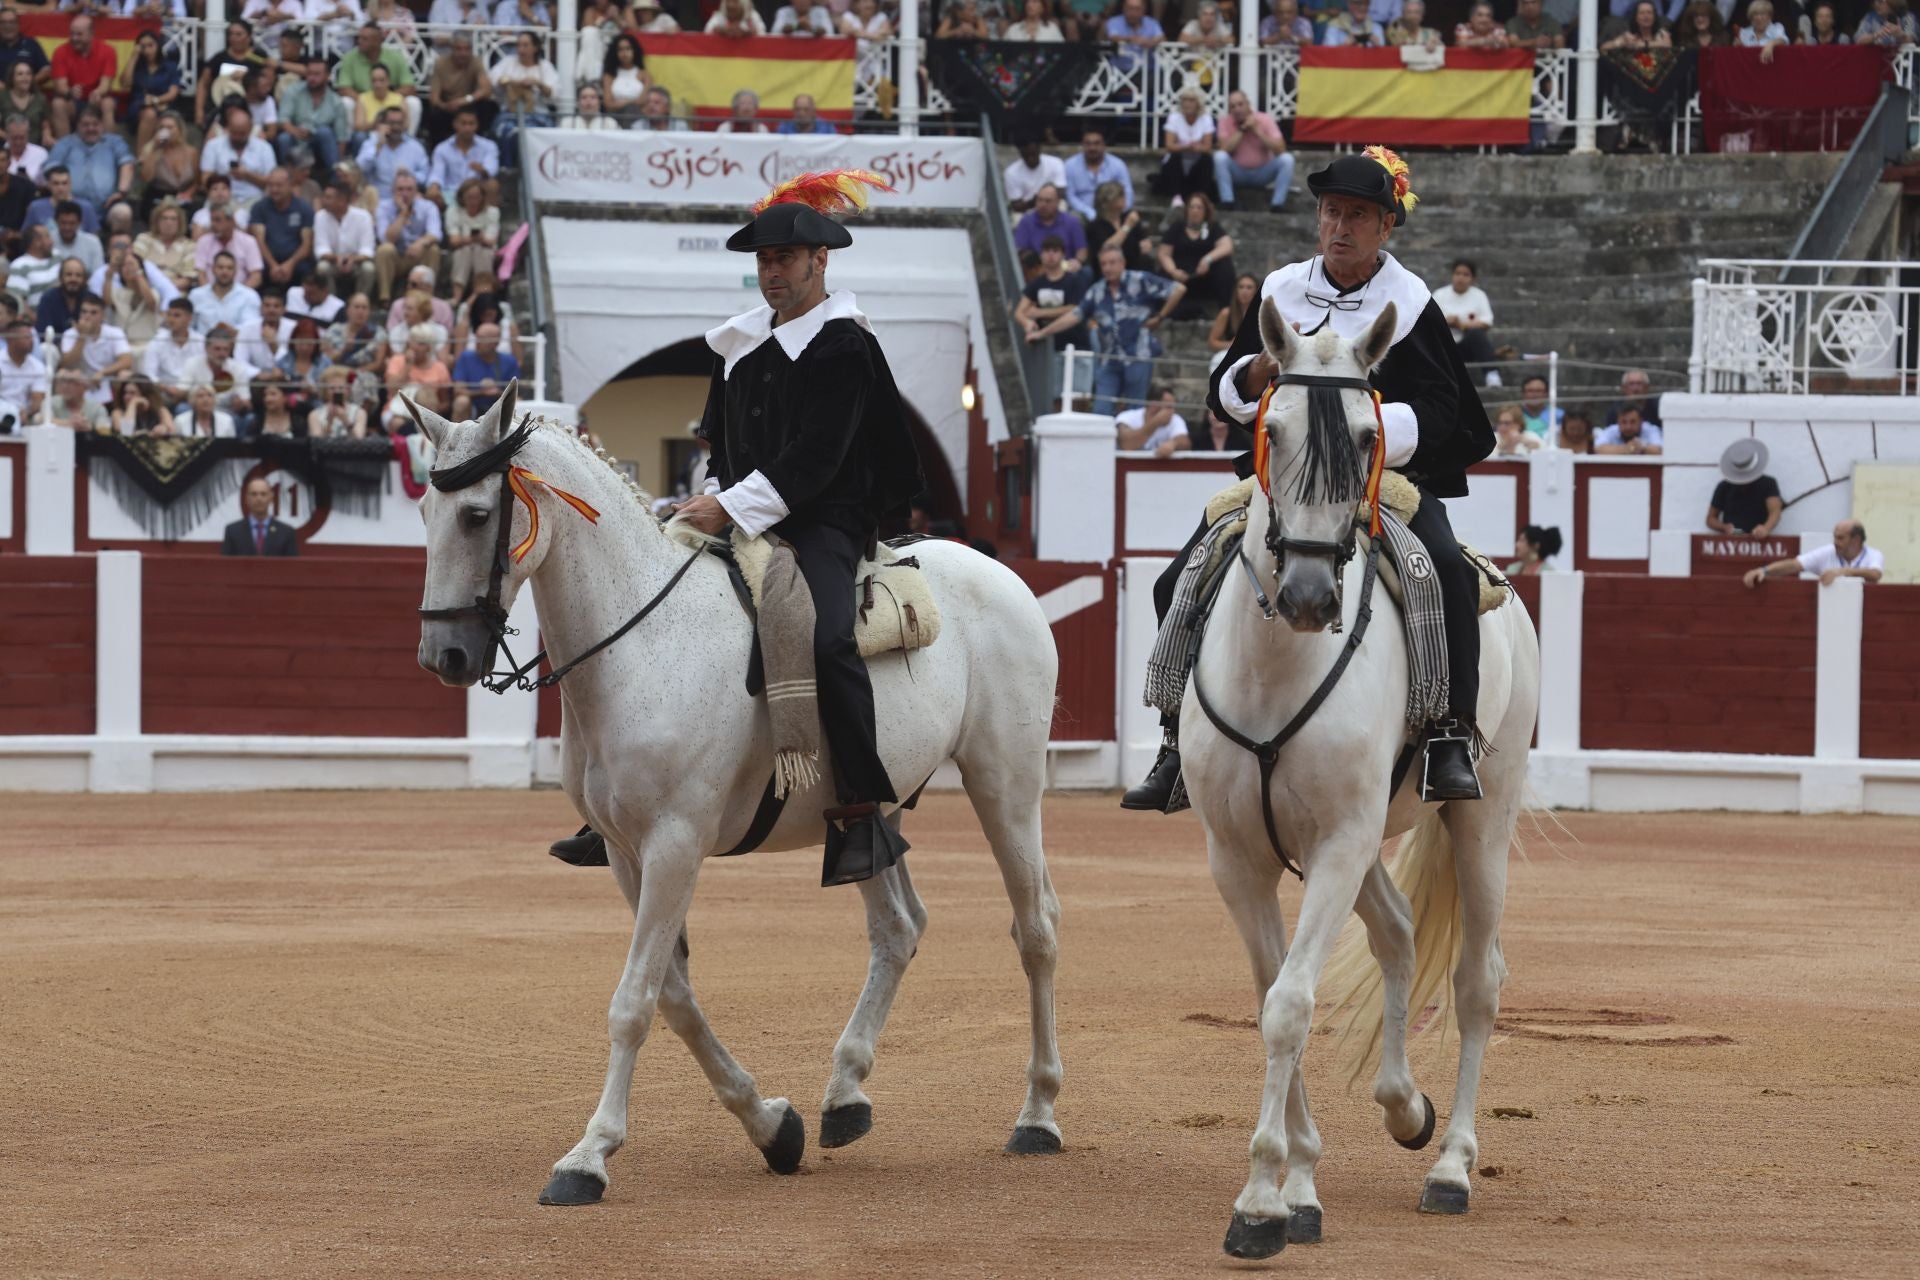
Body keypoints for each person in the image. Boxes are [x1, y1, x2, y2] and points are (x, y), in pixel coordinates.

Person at [564, 171, 926, 886]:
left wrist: (729, 508)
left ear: (821, 263)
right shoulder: (739, 345)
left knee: (826, 635)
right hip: (745, 508)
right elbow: (721, 449)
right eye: (763, 261)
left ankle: (858, 810)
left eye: (785, 260)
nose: (772, 274)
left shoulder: (845, 347)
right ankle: (616, 797)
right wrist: (708, 499)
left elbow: (817, 461)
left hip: (827, 517)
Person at [1124, 146, 1495, 812]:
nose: (1340, 227)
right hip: (1287, 480)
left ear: (1387, 227)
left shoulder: (1409, 304)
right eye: (1330, 212)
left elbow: (1445, 411)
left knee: (1446, 568)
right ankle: (1176, 742)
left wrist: (1365, 431)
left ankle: (1448, 736)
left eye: (1358, 215)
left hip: (1380, 478)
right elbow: (1227, 393)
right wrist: (1256, 375)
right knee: (1175, 578)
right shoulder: (1281, 292)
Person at [1026, 244, 1184, 416]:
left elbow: (1178, 289)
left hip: (1139, 354)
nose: (1108, 268)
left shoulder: (1140, 280)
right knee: (1101, 410)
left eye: (1112, 263)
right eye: (1104, 264)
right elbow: (1075, 315)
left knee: (1135, 412)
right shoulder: (1097, 291)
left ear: (1122, 263)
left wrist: (1159, 317)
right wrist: (1042, 332)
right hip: (1110, 358)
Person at [1157, 191, 1234, 320]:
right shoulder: (1177, 227)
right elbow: (1164, 253)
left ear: (1205, 211)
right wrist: (1173, 271)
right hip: (1180, 280)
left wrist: (1207, 259)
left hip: (1203, 278)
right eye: (1192, 207)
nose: (1195, 211)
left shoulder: (1213, 228)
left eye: (1199, 207)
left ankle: (1225, 311)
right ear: (1187, 210)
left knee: (1225, 266)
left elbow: (1227, 246)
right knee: (1162, 274)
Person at [1213, 89, 1293, 211]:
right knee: (1219, 157)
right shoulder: (1224, 122)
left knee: (1287, 160)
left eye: (1240, 104)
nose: (1237, 109)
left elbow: (1281, 148)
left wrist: (1257, 131)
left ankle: (1277, 204)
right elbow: (1225, 149)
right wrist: (1242, 129)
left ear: (1248, 104)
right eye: (1233, 106)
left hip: (1262, 173)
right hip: (1238, 173)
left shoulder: (1265, 119)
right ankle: (1227, 201)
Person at [1744, 520, 1883, 587]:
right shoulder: (1829, 552)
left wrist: (1842, 572)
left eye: (1840, 538)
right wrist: (1764, 570)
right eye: (1835, 536)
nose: (1835, 541)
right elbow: (1794, 565)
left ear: (1856, 540)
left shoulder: (1873, 554)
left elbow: (1875, 574)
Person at [47, 14, 120, 140]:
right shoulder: (60, 52)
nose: (74, 38)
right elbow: (60, 86)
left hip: (96, 100)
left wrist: (97, 92)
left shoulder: (108, 51)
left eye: (79, 34)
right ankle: (65, 149)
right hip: (72, 101)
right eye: (72, 34)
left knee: (108, 103)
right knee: (58, 104)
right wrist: (70, 91)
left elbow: (106, 84)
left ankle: (109, 148)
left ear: (91, 33)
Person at [374, 169, 442, 304]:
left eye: (409, 189)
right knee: (384, 249)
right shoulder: (383, 207)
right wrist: (403, 214)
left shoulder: (428, 207)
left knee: (433, 249)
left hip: (418, 255)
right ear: (393, 191)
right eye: (400, 189)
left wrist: (420, 243)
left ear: (416, 191)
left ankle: (425, 297)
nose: (405, 194)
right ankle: (384, 298)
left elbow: (436, 233)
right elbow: (386, 239)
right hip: (396, 257)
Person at [1015, 234, 1091, 353]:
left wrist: (1039, 313)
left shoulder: (1074, 281)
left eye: (1055, 251)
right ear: (1041, 255)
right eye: (1046, 251)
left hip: (1075, 346)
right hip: (1048, 348)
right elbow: (1019, 312)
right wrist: (1026, 322)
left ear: (1063, 254)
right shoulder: (1037, 283)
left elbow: (1076, 309)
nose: (1051, 255)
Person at [278, 59, 352, 180]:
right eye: (309, 74)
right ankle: (288, 180)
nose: (312, 78)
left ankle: (336, 179)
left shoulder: (336, 102)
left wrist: (340, 162)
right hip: (297, 141)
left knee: (324, 132)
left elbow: (341, 138)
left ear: (328, 76)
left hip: (319, 146)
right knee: (284, 138)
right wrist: (295, 131)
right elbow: (282, 120)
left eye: (317, 74)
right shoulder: (293, 91)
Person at [424, 33, 497, 148]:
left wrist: (465, 100)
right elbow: (434, 97)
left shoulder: (476, 62)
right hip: (447, 106)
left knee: (487, 106)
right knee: (434, 113)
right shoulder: (440, 63)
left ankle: (481, 147)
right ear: (451, 50)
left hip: (469, 105)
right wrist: (445, 106)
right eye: (459, 49)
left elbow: (486, 89)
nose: (463, 53)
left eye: (467, 49)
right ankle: (436, 151)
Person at [201, 103, 277, 206]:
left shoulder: (264, 148)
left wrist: (248, 175)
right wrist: (224, 178)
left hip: (255, 200)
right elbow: (205, 180)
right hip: (222, 200)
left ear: (250, 129)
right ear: (227, 128)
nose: (237, 137)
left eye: (242, 133)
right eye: (234, 132)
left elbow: (272, 183)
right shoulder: (212, 146)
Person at [1432, 258, 1496, 379]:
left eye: (1466, 274)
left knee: (1477, 334)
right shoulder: (1440, 294)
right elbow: (1429, 320)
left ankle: (1492, 374)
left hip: (1466, 347)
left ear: (1473, 279)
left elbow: (1487, 322)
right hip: (1444, 347)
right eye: (1457, 273)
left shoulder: (1479, 295)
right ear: (1452, 275)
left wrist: (1461, 325)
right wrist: (1446, 322)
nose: (1460, 278)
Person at [426, 105, 499, 209]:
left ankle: (487, 221)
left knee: (492, 184)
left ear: (477, 125)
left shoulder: (489, 146)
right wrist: (433, 186)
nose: (467, 128)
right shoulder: (442, 149)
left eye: (471, 124)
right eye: (463, 123)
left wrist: (483, 170)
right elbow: (437, 174)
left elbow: (492, 170)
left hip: (477, 193)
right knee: (431, 193)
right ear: (455, 124)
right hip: (451, 193)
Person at [316, 177, 377, 299]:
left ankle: (360, 302)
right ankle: (331, 303)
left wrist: (352, 260)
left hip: (356, 263)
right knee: (322, 267)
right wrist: (337, 258)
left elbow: (367, 250)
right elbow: (321, 249)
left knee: (368, 269)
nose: (324, 201)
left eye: (328, 198)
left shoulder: (363, 217)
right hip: (332, 262)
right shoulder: (320, 216)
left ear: (342, 200)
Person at [1708, 439, 1783, 535]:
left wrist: (1765, 528)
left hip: (1761, 542)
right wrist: (1724, 527)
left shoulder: (1768, 483)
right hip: (1732, 541)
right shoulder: (1724, 486)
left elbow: (1775, 512)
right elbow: (1710, 519)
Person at [355, 107, 429, 202]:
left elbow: (425, 176)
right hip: (378, 200)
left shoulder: (416, 147)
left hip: (407, 200)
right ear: (382, 125)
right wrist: (378, 145)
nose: (396, 127)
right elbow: (359, 169)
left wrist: (410, 175)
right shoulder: (371, 143)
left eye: (399, 123)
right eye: (392, 123)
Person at [141, 296, 203, 407]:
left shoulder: (201, 342)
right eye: (169, 315)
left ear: (189, 318)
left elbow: (204, 374)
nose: (171, 319)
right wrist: (167, 388)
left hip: (193, 394)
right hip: (164, 392)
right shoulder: (157, 341)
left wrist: (185, 392)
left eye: (177, 315)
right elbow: (149, 374)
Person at [1158, 88, 1215, 206]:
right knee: (1174, 157)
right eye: (1184, 100)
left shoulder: (1206, 118)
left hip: (1196, 158)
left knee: (1207, 160)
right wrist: (1185, 146)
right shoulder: (1174, 117)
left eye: (1191, 100)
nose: (1187, 103)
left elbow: (1208, 147)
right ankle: (1176, 196)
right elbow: (1169, 145)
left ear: (1198, 103)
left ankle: (1202, 197)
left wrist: (1196, 147)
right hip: (1179, 157)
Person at [450, 319, 518, 418]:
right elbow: (458, 390)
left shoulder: (509, 361)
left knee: (518, 402)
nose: (476, 342)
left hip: (500, 405)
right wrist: (482, 391)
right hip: (473, 406)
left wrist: (497, 392)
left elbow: (516, 393)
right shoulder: (466, 358)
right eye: (476, 337)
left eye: (481, 339)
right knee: (461, 402)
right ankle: (457, 433)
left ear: (495, 343)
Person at [1063, 129, 1132, 224]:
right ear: (1082, 145)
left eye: (1097, 143)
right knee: (1074, 218)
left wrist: (1119, 211)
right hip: (1083, 212)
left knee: (1130, 217)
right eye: (1088, 144)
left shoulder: (1118, 165)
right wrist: (1090, 212)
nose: (1092, 148)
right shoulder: (1070, 165)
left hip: (1112, 212)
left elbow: (1128, 193)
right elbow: (1070, 196)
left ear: (1104, 145)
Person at [189, 250, 263, 334]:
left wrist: (231, 331)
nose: (225, 272)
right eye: (220, 267)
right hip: (202, 345)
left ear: (235, 271)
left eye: (229, 268)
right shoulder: (196, 295)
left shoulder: (249, 296)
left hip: (238, 345)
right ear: (213, 269)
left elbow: (252, 327)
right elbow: (189, 327)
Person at [1012, 184, 1087, 265]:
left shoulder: (1072, 222)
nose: (1043, 205)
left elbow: (1081, 249)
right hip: (1037, 270)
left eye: (1048, 201)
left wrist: (1078, 261)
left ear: (1058, 202)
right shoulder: (1026, 222)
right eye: (1039, 200)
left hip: (1067, 270)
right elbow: (1020, 251)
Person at [223, 476, 300, 555]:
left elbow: (293, 565)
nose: (258, 498)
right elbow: (226, 565)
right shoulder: (232, 531)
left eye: (263, 494)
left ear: (271, 498)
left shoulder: (286, 532)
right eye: (254, 494)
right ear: (246, 499)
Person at [196, 204, 264, 288]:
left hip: (241, 295)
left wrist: (238, 295)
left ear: (231, 221)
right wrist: (210, 295)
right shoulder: (203, 241)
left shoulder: (248, 241)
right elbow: (200, 274)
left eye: (217, 220)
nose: (213, 224)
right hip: (209, 295)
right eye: (212, 220)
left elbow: (256, 276)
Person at [1116, 383, 1189, 455]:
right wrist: (1156, 422)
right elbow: (1127, 444)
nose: (1172, 411)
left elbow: (1184, 442)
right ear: (1154, 405)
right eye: (1169, 407)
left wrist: (1173, 443)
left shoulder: (1175, 419)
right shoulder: (1126, 417)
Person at [1004, 137, 1067, 213]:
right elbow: (1016, 205)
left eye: (1033, 154)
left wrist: (1043, 198)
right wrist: (1035, 202)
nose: (1030, 159)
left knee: (1062, 205)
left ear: (1039, 149)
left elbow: (1061, 192)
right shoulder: (1011, 172)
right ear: (1020, 152)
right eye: (1026, 156)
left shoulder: (1055, 163)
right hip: (1027, 210)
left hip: (1051, 204)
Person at [0, 316, 46, 420]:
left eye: (31, 337)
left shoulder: (37, 366)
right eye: (26, 337)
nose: (31, 341)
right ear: (11, 339)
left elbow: (37, 401)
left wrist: (27, 413)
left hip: (25, 416)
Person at [307, 364, 369, 436]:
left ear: (348, 390)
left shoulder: (359, 413)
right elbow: (316, 441)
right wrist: (329, 422)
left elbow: (359, 439)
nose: (337, 391)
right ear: (325, 391)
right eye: (332, 388)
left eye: (341, 388)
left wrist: (346, 421)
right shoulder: (315, 415)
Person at [600, 34, 647, 127]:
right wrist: (632, 101)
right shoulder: (609, 76)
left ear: (634, 51)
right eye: (620, 50)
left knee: (631, 110)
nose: (624, 53)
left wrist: (624, 102)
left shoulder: (644, 74)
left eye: (628, 49)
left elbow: (643, 101)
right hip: (614, 117)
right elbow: (608, 103)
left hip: (637, 117)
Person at [1209, 272, 1258, 356]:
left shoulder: (1261, 314)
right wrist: (1230, 344)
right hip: (1232, 353)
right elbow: (1212, 342)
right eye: (1241, 287)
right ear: (1236, 290)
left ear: (1256, 291)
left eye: (1249, 287)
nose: (1244, 291)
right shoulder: (1227, 313)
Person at [7, 224, 58, 306]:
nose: (52, 242)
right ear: (36, 242)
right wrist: (36, 317)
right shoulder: (20, 266)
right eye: (48, 237)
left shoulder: (57, 256)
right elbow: (18, 301)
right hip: (36, 316)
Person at [1594, 404, 1662, 454]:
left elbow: (1660, 450)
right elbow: (1598, 449)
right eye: (1624, 422)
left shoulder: (1651, 430)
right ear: (1618, 421)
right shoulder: (1612, 430)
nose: (1628, 427)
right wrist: (1626, 448)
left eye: (1633, 422)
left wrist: (1643, 448)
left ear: (1641, 421)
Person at [1517, 374, 1560, 438]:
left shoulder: (1558, 415)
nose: (1535, 394)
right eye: (1530, 391)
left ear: (1546, 393)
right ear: (1523, 393)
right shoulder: (1513, 415)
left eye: (1539, 391)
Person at [773, 0, 838, 36]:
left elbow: (830, 34)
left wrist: (811, 29)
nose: (802, 1)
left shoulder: (821, 12)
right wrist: (795, 27)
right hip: (789, 54)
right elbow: (774, 34)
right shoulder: (783, 12)